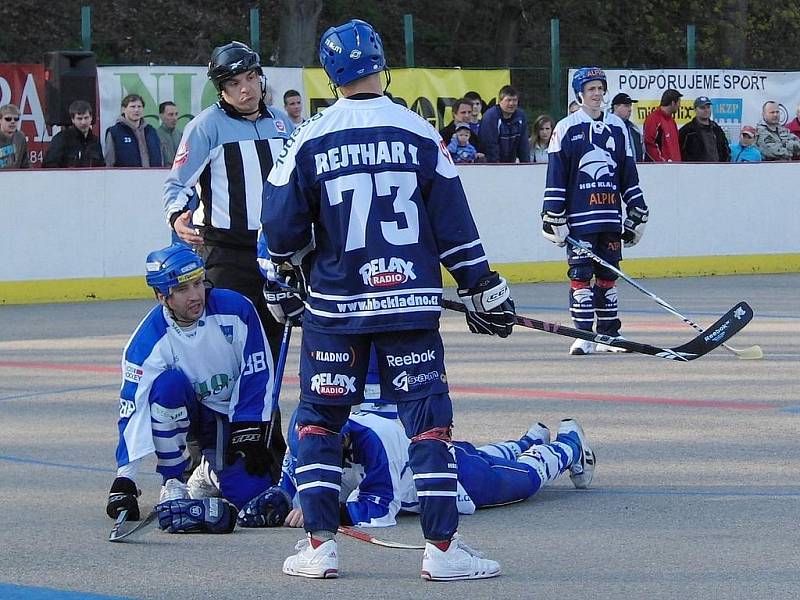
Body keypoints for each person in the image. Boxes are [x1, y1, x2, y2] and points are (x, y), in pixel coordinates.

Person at [261, 18, 516, 581]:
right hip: (409, 303)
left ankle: (320, 547)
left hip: (335, 309)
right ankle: (444, 553)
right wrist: (480, 285)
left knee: (320, 424)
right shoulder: (420, 132)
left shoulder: (309, 137)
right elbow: (454, 223)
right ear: (384, 65)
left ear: (330, 77)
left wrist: (292, 270)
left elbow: (278, 233)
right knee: (427, 424)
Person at [104, 244, 281, 535]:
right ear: (163, 296)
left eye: (199, 283)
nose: (196, 295)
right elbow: (131, 406)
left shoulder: (237, 309)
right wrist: (125, 477)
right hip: (189, 414)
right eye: (184, 289)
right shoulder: (146, 342)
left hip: (231, 419)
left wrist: (250, 433)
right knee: (167, 387)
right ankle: (173, 481)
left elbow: (258, 371)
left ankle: (207, 473)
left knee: (252, 500)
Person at [241, 406, 594, 531]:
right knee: (481, 454)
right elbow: (291, 477)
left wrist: (328, 510)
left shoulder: (373, 442)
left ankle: (570, 444)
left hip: (451, 480)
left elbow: (380, 510)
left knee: (525, 480)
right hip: (427, 453)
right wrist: (279, 497)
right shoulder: (303, 426)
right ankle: (527, 439)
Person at [163, 41, 294, 366]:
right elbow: (177, 183)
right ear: (222, 89)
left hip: (276, 254)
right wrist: (177, 216)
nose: (245, 89)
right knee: (228, 346)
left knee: (273, 344)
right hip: (226, 254)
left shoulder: (282, 123)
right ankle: (228, 416)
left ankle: (267, 417)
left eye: (250, 78)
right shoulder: (205, 126)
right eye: (234, 84)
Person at [541, 67, 649, 356]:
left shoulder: (618, 127)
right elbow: (556, 176)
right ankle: (582, 335)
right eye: (591, 89)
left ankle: (609, 335)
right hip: (580, 218)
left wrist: (637, 207)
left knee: (608, 276)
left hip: (610, 216)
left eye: (600, 88)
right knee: (580, 275)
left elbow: (628, 172)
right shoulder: (566, 127)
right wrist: (552, 213)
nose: (597, 93)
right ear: (580, 94)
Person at [104, 93, 162, 167]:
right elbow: (109, 161)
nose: (136, 110)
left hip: (152, 176)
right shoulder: (114, 132)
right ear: (123, 109)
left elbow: (160, 156)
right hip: (125, 177)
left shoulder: (151, 131)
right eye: (132, 107)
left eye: (139, 107)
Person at [42, 100, 104, 168]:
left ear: (91, 118)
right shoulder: (61, 139)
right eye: (79, 119)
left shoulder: (95, 141)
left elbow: (101, 167)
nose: (83, 122)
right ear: (73, 120)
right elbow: (49, 166)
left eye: (86, 118)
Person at [478, 85, 530, 163]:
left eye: (514, 100)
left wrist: (526, 164)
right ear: (500, 101)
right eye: (508, 100)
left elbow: (524, 144)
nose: (512, 103)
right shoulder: (490, 116)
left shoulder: (521, 116)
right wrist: (498, 167)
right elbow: (490, 146)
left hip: (511, 162)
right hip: (492, 164)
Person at [678, 96, 731, 162]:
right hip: (695, 170)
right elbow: (679, 152)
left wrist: (724, 166)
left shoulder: (716, 128)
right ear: (695, 110)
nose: (706, 110)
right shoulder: (687, 131)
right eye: (702, 108)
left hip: (718, 170)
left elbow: (726, 149)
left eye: (708, 107)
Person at [643, 88, 682, 162]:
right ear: (673, 103)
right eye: (679, 103)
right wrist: (661, 163)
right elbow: (650, 144)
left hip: (675, 168)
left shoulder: (671, 120)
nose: (679, 106)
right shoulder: (654, 119)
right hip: (660, 169)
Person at [610, 93, 643, 162]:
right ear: (616, 107)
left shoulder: (634, 130)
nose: (630, 109)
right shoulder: (607, 129)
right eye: (626, 106)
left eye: (630, 106)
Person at [0, 104, 29, 169]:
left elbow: (25, 163)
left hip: (15, 177)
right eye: (8, 119)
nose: (13, 121)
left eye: (16, 119)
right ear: (0, 120)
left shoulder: (20, 137)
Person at [156, 101, 183, 167]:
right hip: (162, 173)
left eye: (176, 114)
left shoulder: (181, 135)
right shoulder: (155, 135)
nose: (175, 118)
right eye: (170, 114)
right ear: (161, 116)